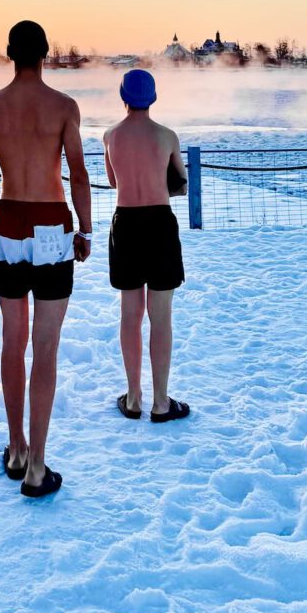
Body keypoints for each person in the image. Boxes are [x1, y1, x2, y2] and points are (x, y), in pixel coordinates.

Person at [0, 21, 92, 498]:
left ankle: (17, 447)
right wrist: (84, 230)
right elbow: (78, 175)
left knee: (12, 341)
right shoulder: (64, 107)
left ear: (8, 54)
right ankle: (38, 465)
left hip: (8, 225)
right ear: (45, 54)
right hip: (52, 226)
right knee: (46, 348)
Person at [103, 69, 190, 423]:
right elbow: (180, 183)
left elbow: (113, 181)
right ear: (153, 97)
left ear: (123, 96)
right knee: (161, 317)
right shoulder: (167, 136)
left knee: (130, 316)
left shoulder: (110, 136)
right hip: (159, 225)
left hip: (126, 223)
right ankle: (162, 401)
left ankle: (134, 396)